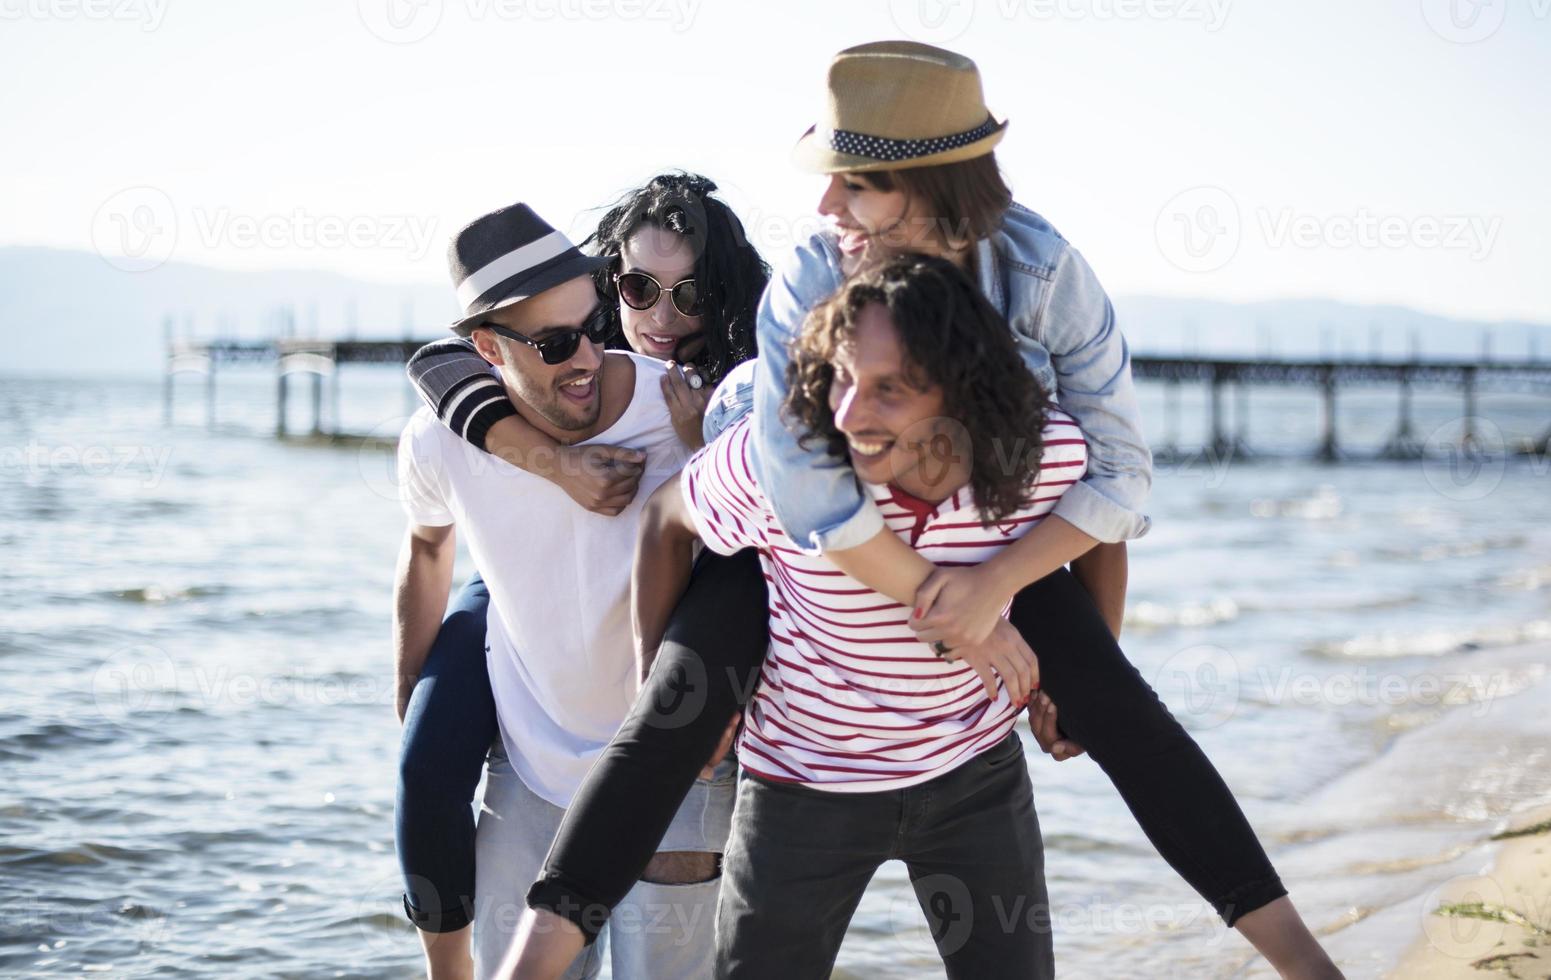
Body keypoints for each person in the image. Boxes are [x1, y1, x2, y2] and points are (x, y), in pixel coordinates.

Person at [514, 253, 1084, 978]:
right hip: (802, 783)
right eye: (843, 380)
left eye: (891, 389)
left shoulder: (1035, 454)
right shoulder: (774, 465)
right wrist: (661, 676)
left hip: (971, 772)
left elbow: (1101, 517)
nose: (850, 414)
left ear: (958, 391)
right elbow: (665, 520)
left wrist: (1075, 670)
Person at [393, 175, 768, 979]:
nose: (654, 324)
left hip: (677, 761)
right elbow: (427, 539)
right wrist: (412, 685)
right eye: (635, 291)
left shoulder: (717, 402)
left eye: (689, 294)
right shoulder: (449, 434)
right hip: (530, 764)